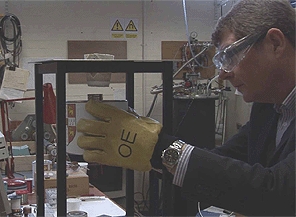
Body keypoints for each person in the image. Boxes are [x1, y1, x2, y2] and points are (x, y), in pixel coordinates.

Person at [76, 0, 295, 215]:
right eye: (221, 62)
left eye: (231, 55)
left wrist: (161, 148)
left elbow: (277, 192)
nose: (222, 74)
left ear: (274, 43)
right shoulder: (268, 108)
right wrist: (154, 155)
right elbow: (226, 159)